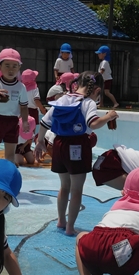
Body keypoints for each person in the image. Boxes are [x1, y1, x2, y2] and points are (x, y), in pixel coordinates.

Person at [35, 71, 118, 236]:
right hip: (77, 146)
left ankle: (61, 220)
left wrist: (40, 141)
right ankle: (70, 227)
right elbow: (93, 124)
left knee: (64, 186)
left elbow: (44, 122)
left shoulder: (62, 99)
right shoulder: (88, 102)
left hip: (59, 144)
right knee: (77, 189)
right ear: (97, 90)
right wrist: (108, 117)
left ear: (77, 84)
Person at [0, 48, 29, 163]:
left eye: (14, 66)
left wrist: (25, 121)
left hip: (12, 121)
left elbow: (24, 106)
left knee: (10, 154)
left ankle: (8, 173)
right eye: (7, 65)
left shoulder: (21, 87)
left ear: (19, 67)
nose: (11, 69)